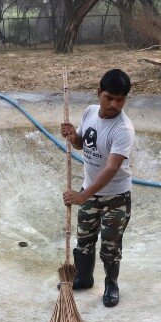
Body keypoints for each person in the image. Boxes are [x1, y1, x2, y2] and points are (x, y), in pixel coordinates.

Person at [60, 69, 135, 308]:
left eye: (120, 100)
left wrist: (82, 196)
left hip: (115, 198)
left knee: (111, 246)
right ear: (98, 93)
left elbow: (112, 169)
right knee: (84, 239)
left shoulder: (123, 129)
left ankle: (111, 285)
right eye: (109, 97)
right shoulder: (90, 112)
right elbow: (83, 143)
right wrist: (73, 136)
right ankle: (84, 277)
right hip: (90, 192)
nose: (114, 104)